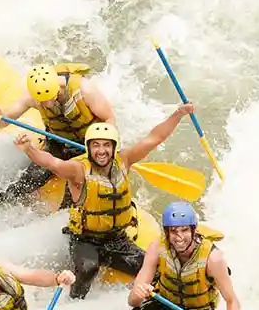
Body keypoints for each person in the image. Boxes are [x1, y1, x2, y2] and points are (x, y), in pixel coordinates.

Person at [13, 107, 194, 299]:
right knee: (89, 268)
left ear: (114, 147)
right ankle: (74, 301)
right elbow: (52, 163)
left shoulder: (124, 160)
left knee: (156, 269)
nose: (101, 151)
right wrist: (29, 150)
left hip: (117, 239)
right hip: (86, 239)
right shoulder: (78, 170)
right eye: (96, 145)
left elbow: (154, 138)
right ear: (89, 147)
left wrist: (178, 115)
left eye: (106, 145)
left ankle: (150, 303)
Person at [114, 201, 241, 310]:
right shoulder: (157, 247)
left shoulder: (214, 259)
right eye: (173, 231)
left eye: (184, 230)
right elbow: (133, 301)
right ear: (167, 232)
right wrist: (139, 292)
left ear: (193, 230)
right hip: (163, 306)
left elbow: (232, 300)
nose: (179, 237)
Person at [0, 62, 115, 201]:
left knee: (73, 195)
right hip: (58, 143)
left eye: (49, 99)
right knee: (29, 181)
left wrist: (103, 147)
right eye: (41, 101)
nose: (46, 105)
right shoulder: (31, 96)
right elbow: (3, 122)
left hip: (88, 145)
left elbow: (109, 118)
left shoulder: (84, 89)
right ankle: (2, 199)